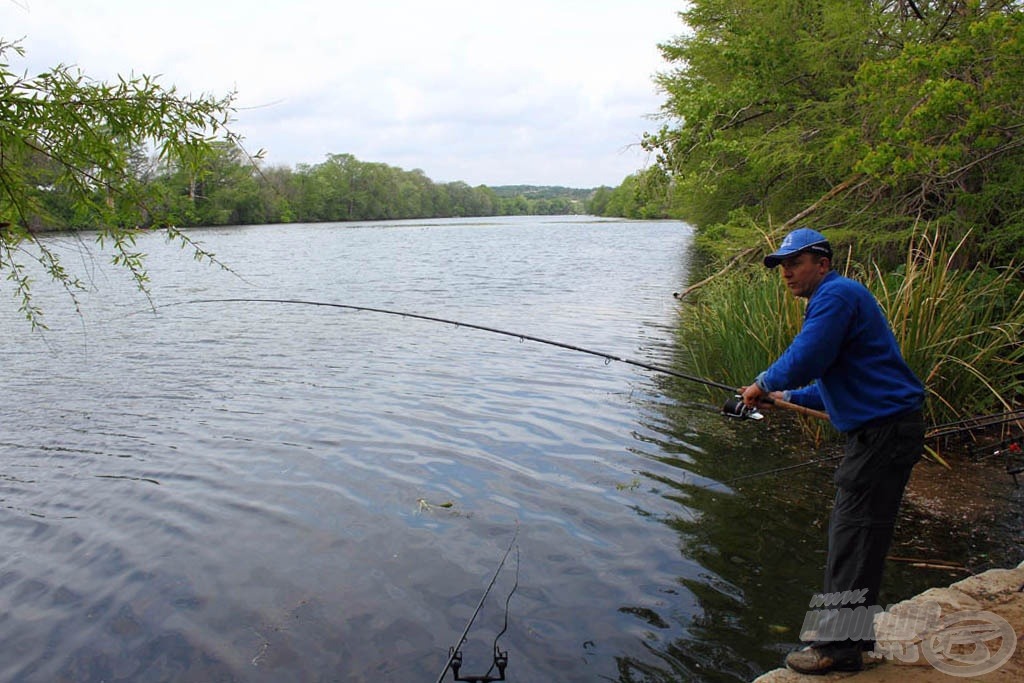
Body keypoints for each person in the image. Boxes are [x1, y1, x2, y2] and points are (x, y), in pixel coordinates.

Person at [740, 227, 925, 675]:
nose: (785, 272)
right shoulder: (840, 299)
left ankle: (838, 649)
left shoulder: (836, 294)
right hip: (886, 431)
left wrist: (763, 383)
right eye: (781, 265)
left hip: (882, 435)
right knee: (862, 538)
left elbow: (810, 355)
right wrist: (787, 397)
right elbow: (836, 382)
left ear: (821, 263)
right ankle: (855, 640)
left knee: (853, 537)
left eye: (794, 262)